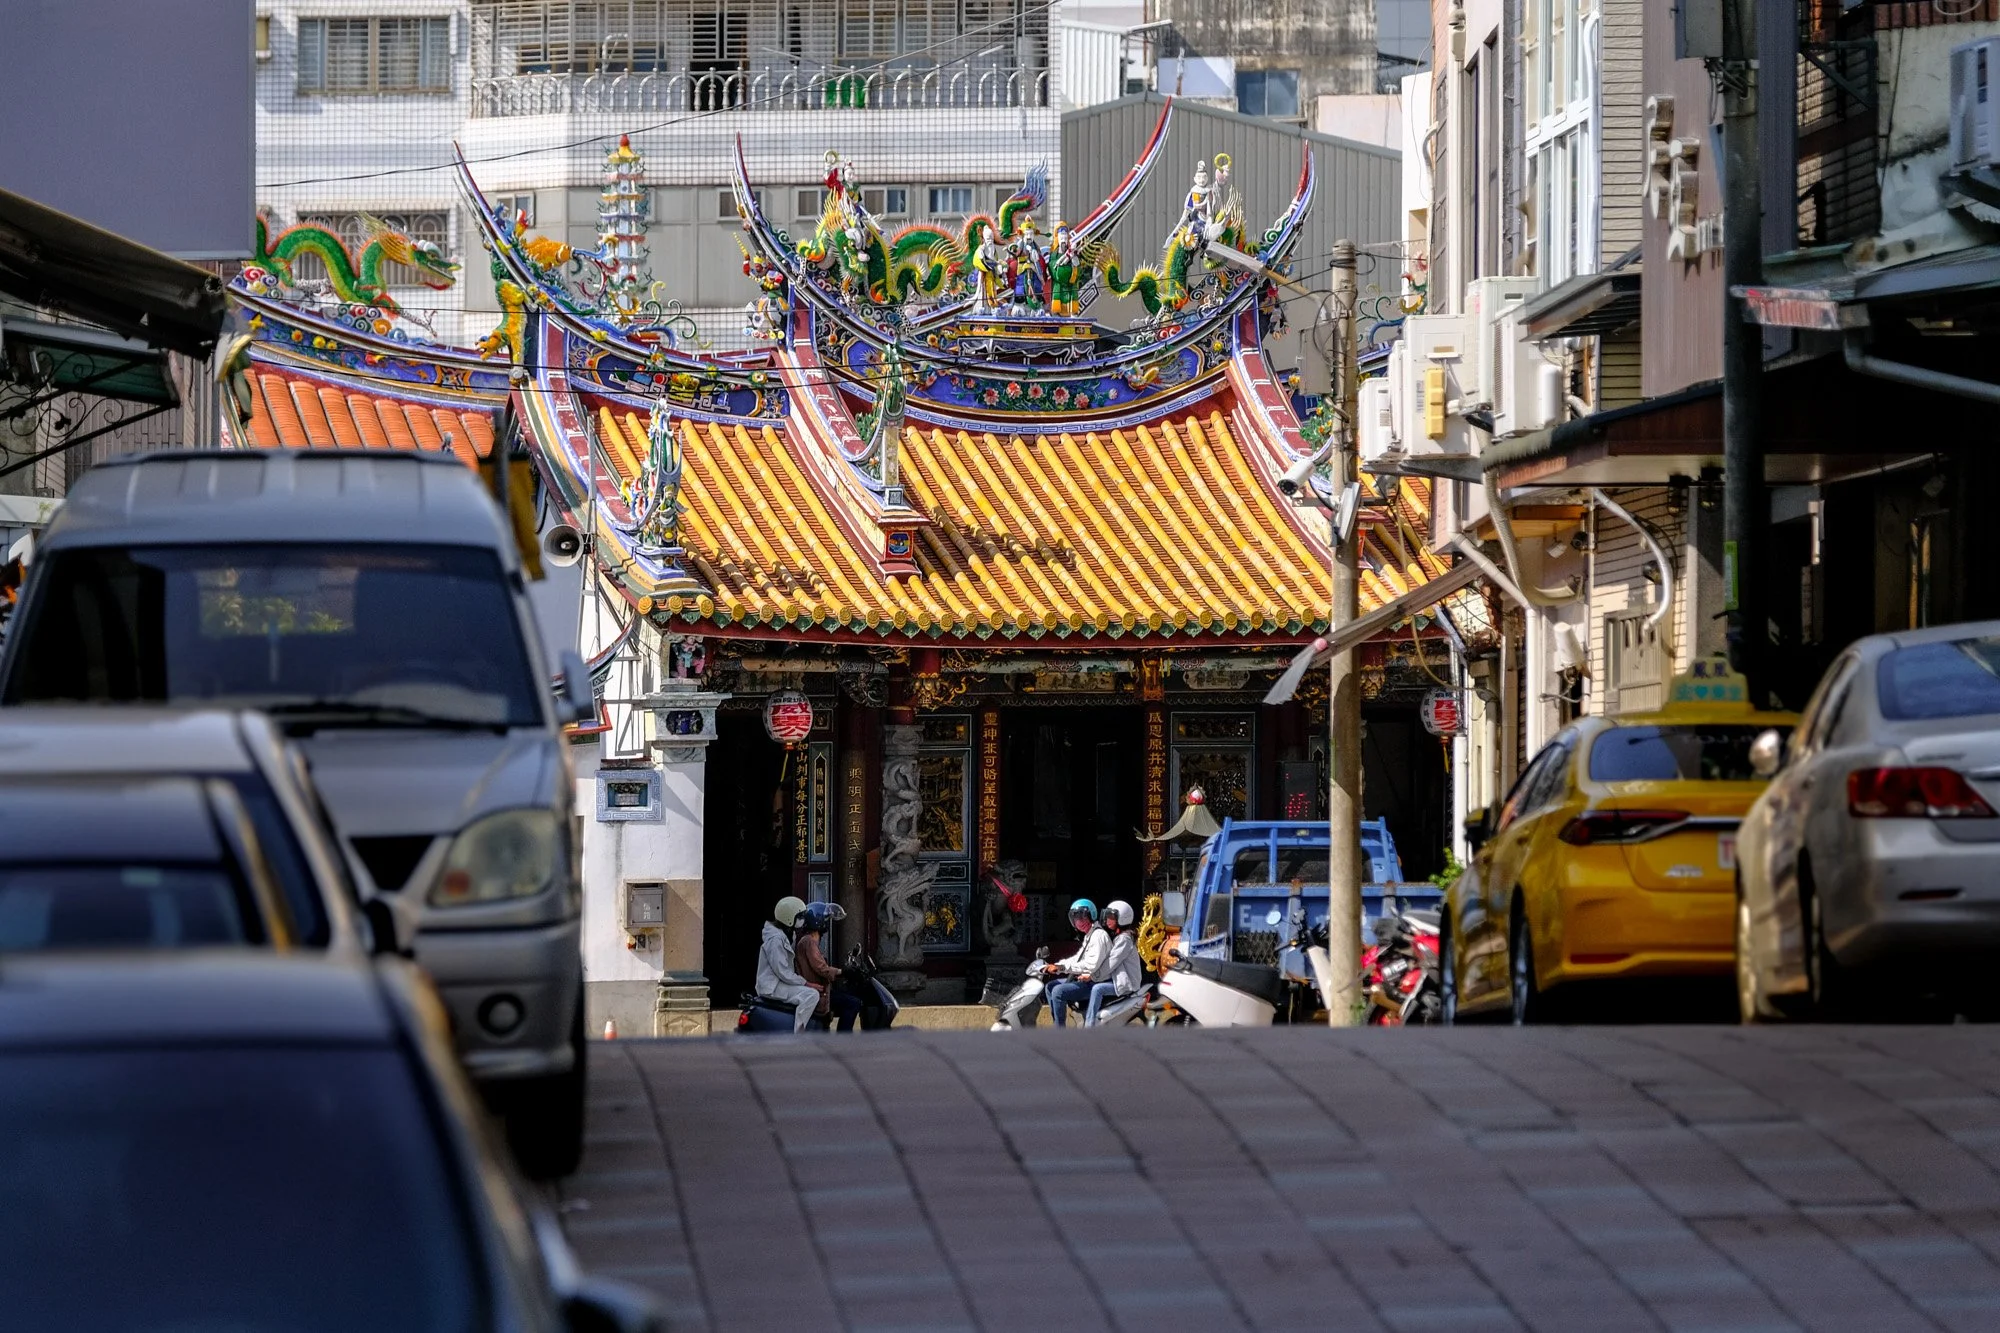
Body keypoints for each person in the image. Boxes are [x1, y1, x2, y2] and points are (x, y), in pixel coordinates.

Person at [756, 896, 820, 1032]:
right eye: (800, 916)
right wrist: (805, 983)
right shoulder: (775, 940)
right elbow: (782, 971)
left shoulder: (788, 935)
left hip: (779, 982)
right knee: (812, 995)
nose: (802, 920)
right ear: (789, 917)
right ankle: (798, 1034)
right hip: (772, 986)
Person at [795, 901, 862, 1032]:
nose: (826, 922)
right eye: (825, 919)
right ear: (817, 920)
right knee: (853, 1003)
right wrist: (842, 972)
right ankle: (843, 1039)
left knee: (848, 998)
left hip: (821, 990)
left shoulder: (809, 941)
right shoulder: (808, 941)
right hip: (818, 992)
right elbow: (820, 967)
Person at [1044, 899, 1107, 1029]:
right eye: (1076, 919)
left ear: (1091, 915)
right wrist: (1057, 966)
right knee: (1050, 986)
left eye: (1083, 917)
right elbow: (1076, 959)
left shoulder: (1099, 936)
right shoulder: (1089, 936)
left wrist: (1062, 968)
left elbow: (1091, 965)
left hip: (1095, 981)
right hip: (1084, 980)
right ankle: (1057, 1024)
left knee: (1058, 991)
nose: (1080, 922)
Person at [1084, 900, 1143, 1026]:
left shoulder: (1124, 940)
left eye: (1111, 917)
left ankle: (1089, 1026)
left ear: (1122, 919)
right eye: (1108, 917)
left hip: (1127, 983)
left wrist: (1093, 976)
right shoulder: (1120, 937)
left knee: (1097, 989)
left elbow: (1111, 962)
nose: (1108, 920)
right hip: (1119, 979)